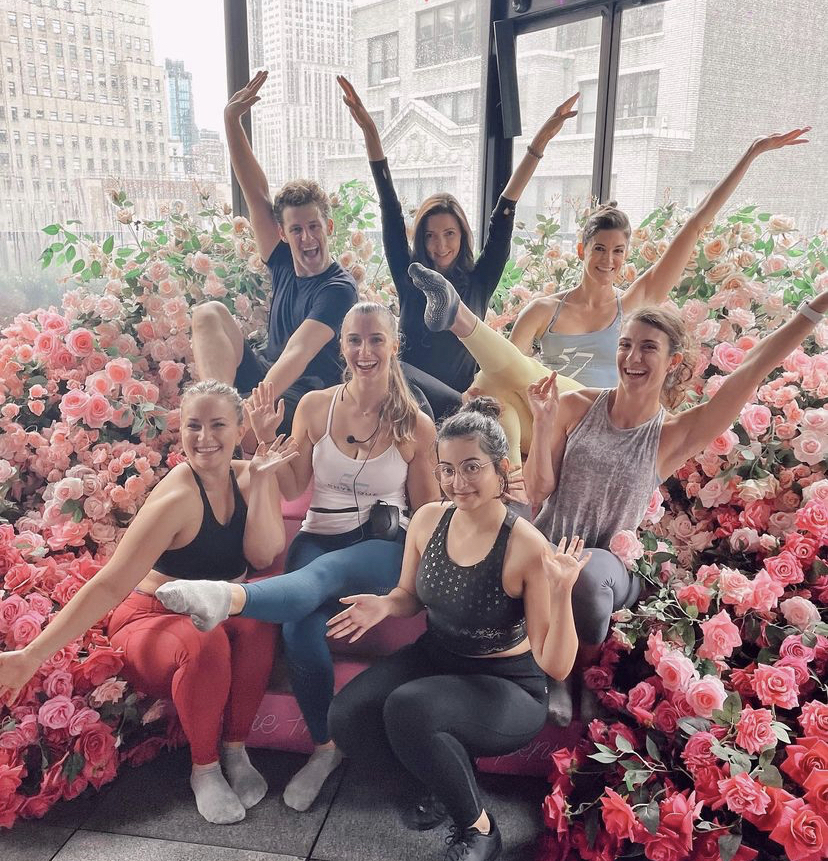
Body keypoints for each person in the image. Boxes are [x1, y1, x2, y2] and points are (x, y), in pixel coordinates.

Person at [155, 301, 440, 812]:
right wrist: (266, 439)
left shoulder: (414, 425)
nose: (364, 350)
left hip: (380, 548)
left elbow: (426, 509)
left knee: (324, 572)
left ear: (394, 345)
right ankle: (324, 749)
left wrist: (415, 579)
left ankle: (229, 598)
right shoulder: (314, 405)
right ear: (342, 346)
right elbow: (293, 485)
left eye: (376, 339)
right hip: (318, 533)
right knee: (301, 631)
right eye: (354, 339)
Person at [407, 127, 810, 466]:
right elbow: (502, 373)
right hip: (544, 428)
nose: (608, 260)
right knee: (501, 395)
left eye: (618, 251)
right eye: (599, 249)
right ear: (583, 251)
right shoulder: (543, 310)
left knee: (509, 380)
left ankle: (458, 315)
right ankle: (511, 472)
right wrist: (480, 390)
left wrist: (751, 154)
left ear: (627, 256)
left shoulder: (631, 306)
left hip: (594, 423)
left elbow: (696, 226)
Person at [521, 288, 828, 724]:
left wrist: (815, 307)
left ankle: (579, 675)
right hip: (549, 545)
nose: (633, 357)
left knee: (585, 577)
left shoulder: (674, 434)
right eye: (626, 344)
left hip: (607, 568)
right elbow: (537, 491)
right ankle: (547, 670)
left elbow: (755, 367)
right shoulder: (574, 405)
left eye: (649, 347)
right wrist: (543, 421)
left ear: (673, 362)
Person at [0, 381, 298, 824]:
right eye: (193, 426)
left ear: (240, 429)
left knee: (257, 624)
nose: (204, 438)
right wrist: (32, 654)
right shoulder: (179, 499)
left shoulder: (248, 474)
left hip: (218, 608)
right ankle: (205, 768)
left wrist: (261, 477)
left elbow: (262, 554)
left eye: (218, 425)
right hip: (152, 618)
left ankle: (235, 748)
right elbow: (109, 585)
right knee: (206, 639)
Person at [326, 398, 589, 861]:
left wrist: (563, 591)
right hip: (437, 656)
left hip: (507, 684)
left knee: (410, 707)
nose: (457, 482)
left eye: (472, 467)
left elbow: (555, 662)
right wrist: (385, 605)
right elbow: (408, 596)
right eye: (447, 469)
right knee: (348, 715)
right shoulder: (428, 519)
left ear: (501, 468)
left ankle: (481, 829)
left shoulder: (525, 545)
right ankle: (434, 780)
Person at [337, 75, 578, 421]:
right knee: (394, 366)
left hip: (463, 406)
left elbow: (504, 213)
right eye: (431, 236)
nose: (440, 245)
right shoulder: (411, 278)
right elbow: (390, 210)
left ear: (463, 236)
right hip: (409, 404)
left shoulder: (480, 280)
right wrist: (370, 132)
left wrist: (539, 143)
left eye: (449, 234)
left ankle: (464, 398)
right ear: (421, 239)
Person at [192, 69, 358, 435]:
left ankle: (225, 429)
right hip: (269, 375)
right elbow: (256, 192)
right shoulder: (282, 259)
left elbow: (298, 354)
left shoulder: (339, 289)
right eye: (296, 230)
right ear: (282, 234)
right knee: (208, 313)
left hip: (309, 395)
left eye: (314, 227)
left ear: (328, 228)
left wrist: (249, 413)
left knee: (260, 409)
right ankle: (215, 409)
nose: (307, 238)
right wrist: (231, 120)